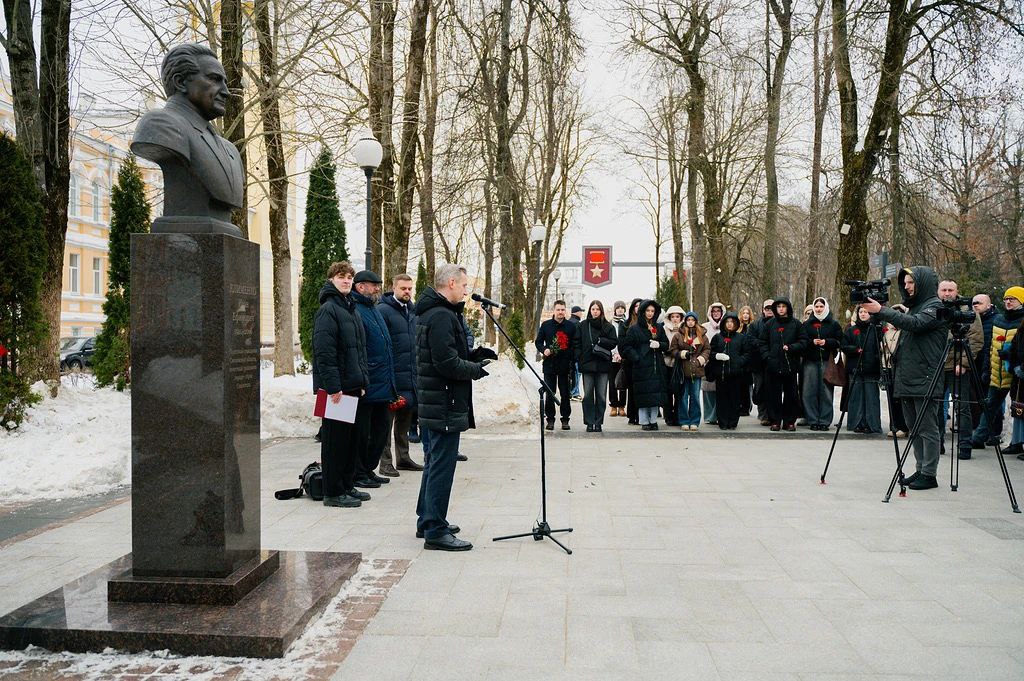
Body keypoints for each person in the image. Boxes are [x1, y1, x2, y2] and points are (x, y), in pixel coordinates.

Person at [414, 263, 493, 551]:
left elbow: (447, 353)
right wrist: (475, 369)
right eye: (463, 285)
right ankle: (435, 530)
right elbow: (446, 363)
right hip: (443, 400)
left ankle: (427, 519)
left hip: (437, 399)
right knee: (441, 466)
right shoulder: (441, 315)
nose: (465, 290)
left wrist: (474, 355)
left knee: (435, 461)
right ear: (450, 283)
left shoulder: (437, 312)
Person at [862, 266, 947, 490]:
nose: (907, 287)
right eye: (905, 283)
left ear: (923, 283)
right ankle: (920, 469)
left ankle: (929, 473)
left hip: (926, 376)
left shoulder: (936, 307)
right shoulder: (914, 307)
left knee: (927, 427)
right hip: (908, 375)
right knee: (913, 426)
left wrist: (882, 310)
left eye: (911, 282)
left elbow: (915, 324)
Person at [312, 261, 369, 508]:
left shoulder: (350, 308)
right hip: (337, 390)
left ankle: (346, 485)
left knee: (350, 441)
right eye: (341, 277)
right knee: (335, 442)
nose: (346, 281)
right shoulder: (329, 310)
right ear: (331, 280)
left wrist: (362, 380)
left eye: (349, 277)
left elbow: (359, 350)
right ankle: (333, 492)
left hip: (352, 386)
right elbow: (324, 353)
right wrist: (333, 388)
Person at [351, 270, 396, 490]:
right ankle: (359, 472)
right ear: (360, 286)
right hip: (368, 384)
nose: (378, 288)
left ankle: (368, 469)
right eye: (373, 285)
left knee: (380, 431)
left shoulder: (373, 309)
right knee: (363, 433)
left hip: (382, 383)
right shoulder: (356, 309)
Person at [377, 273, 424, 476]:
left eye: (410, 289)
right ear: (394, 288)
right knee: (385, 425)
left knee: (404, 423)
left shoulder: (412, 311)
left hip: (410, 377)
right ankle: (385, 462)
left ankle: (403, 458)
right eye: (403, 288)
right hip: (391, 379)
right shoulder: (383, 310)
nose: (407, 292)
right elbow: (381, 346)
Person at [970, 286, 1024, 450]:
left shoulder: (1022, 321)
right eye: (1006, 299)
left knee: (1017, 409)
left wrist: (1012, 357)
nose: (1008, 302)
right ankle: (979, 437)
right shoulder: (998, 320)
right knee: (990, 406)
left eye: (1012, 299)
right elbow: (990, 348)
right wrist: (986, 369)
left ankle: (1016, 442)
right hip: (996, 372)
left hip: (1016, 373)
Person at [937, 280, 983, 460]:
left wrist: (963, 363)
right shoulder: (933, 308)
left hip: (958, 367)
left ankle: (965, 445)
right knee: (935, 406)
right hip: (937, 366)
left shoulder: (967, 310)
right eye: (944, 290)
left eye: (951, 290)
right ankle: (937, 443)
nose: (947, 293)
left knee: (962, 407)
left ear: (957, 291)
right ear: (938, 291)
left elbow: (976, 339)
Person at [759, 298, 807, 431]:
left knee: (791, 395)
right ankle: (775, 420)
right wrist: (767, 356)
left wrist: (792, 347)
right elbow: (762, 342)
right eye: (778, 306)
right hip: (773, 365)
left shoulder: (796, 324)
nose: (781, 309)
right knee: (773, 394)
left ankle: (789, 421)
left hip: (790, 365)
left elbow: (804, 341)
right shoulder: (770, 324)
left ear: (788, 308)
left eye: (783, 306)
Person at [621, 300, 668, 431]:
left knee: (654, 394)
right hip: (641, 366)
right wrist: (637, 357)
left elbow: (666, 344)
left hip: (656, 366)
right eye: (648, 311)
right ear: (643, 312)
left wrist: (659, 344)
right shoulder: (634, 329)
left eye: (652, 311)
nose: (650, 313)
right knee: (643, 394)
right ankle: (644, 420)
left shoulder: (659, 328)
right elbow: (626, 347)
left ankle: (653, 420)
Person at [573, 300, 618, 432]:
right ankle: (589, 422)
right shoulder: (583, 325)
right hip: (587, 365)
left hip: (603, 365)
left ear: (601, 311)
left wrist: (601, 341)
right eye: (593, 309)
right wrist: (579, 357)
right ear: (590, 310)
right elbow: (576, 342)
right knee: (587, 395)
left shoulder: (608, 326)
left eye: (598, 309)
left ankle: (598, 422)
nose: (595, 312)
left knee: (601, 396)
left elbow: (614, 342)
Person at [534, 300, 577, 431]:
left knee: (565, 394)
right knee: (550, 393)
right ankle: (550, 419)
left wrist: (571, 357)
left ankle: (565, 419)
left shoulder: (571, 326)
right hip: (549, 365)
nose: (560, 312)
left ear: (565, 310)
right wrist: (544, 349)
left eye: (562, 310)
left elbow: (574, 345)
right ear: (554, 310)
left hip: (565, 365)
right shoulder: (546, 325)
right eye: (558, 309)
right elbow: (538, 342)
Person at [801, 297, 843, 431]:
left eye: (821, 306)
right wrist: (811, 342)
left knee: (826, 392)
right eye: (817, 307)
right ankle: (812, 419)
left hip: (827, 362)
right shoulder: (806, 325)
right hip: (810, 362)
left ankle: (824, 421)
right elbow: (802, 341)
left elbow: (839, 341)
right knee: (809, 391)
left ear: (825, 308)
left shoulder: (833, 324)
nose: (819, 309)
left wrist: (827, 342)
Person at [842, 306, 883, 433]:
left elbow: (880, 347)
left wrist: (875, 358)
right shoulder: (851, 330)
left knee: (871, 398)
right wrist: (855, 350)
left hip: (871, 369)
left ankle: (871, 424)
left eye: (866, 312)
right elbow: (844, 345)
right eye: (861, 312)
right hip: (855, 368)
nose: (863, 314)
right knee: (856, 397)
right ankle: (856, 423)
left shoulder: (875, 329)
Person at [708, 312, 752, 430]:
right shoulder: (717, 337)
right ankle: (722, 422)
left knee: (735, 399)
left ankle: (733, 422)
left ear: (736, 323)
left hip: (736, 374)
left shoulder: (741, 338)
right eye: (727, 321)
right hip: (721, 374)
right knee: (721, 399)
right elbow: (710, 353)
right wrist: (717, 356)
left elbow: (747, 353)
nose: (730, 324)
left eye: (732, 322)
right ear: (723, 323)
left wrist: (739, 361)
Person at [668, 311, 709, 431]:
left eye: (693, 320)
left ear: (696, 321)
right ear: (685, 321)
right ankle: (684, 420)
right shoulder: (678, 335)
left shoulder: (702, 335)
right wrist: (682, 353)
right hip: (683, 370)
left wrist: (701, 359)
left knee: (695, 397)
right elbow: (673, 350)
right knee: (683, 397)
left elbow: (707, 349)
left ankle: (695, 421)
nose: (690, 322)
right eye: (688, 320)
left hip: (697, 369)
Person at [882, 307, 909, 438]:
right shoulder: (886, 332)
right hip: (888, 367)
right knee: (891, 399)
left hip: (901, 368)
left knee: (901, 399)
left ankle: (903, 426)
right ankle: (894, 425)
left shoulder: (905, 332)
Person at [970, 294, 996, 426]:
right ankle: (976, 425)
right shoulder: (970, 319)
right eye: (973, 303)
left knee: (989, 398)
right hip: (972, 363)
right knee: (973, 397)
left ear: (989, 305)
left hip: (989, 365)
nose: (975, 305)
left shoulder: (996, 320)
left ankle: (991, 429)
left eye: (979, 303)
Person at [659, 306, 686, 427]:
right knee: (667, 391)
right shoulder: (664, 329)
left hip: (680, 363)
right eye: (673, 316)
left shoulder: (685, 329)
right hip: (666, 363)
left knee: (679, 391)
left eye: (677, 316)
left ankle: (678, 416)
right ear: (669, 317)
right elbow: (663, 344)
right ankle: (668, 416)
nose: (675, 319)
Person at [749, 299, 775, 425]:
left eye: (772, 308)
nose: (769, 311)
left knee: (773, 389)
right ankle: (763, 414)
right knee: (760, 388)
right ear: (763, 310)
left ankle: (773, 415)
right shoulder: (755, 325)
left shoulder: (779, 323)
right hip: (759, 363)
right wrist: (763, 345)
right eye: (767, 308)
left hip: (774, 361)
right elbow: (750, 340)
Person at [701, 303, 726, 425]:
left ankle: (719, 414)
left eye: (718, 311)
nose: (716, 313)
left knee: (721, 390)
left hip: (722, 361)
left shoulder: (726, 326)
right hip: (707, 361)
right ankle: (710, 417)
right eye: (713, 311)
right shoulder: (704, 326)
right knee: (708, 389)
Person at [1003, 316, 1024, 457]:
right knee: (1018, 410)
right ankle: (1016, 442)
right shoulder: (1021, 328)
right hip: (1019, 378)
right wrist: (1014, 364)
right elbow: (1014, 348)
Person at [621, 298, 643, 424]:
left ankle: (641, 415)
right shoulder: (626, 324)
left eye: (640, 305)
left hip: (643, 361)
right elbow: (622, 344)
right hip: (630, 361)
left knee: (641, 388)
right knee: (631, 388)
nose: (638, 308)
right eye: (636, 305)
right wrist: (631, 355)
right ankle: (632, 415)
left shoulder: (647, 323)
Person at [608, 301, 628, 417]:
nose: (620, 309)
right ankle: (613, 406)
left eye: (622, 308)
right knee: (612, 382)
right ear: (615, 310)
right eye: (618, 308)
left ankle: (622, 406)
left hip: (624, 357)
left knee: (623, 381)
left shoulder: (626, 323)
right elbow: (609, 339)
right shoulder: (610, 323)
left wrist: (623, 354)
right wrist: (614, 353)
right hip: (612, 357)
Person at [737, 305, 756, 415]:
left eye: (747, 313)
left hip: (750, 360)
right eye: (743, 313)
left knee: (747, 384)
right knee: (739, 384)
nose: (745, 315)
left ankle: (746, 406)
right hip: (740, 359)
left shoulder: (752, 327)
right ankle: (739, 405)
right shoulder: (737, 327)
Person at [569, 306, 585, 399]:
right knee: (577, 373)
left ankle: (573, 392)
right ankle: (574, 393)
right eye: (580, 311)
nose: (581, 313)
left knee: (572, 374)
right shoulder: (577, 324)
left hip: (570, 353)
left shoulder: (568, 322)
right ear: (576, 312)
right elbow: (578, 340)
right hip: (576, 353)